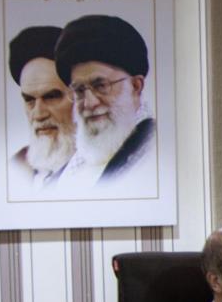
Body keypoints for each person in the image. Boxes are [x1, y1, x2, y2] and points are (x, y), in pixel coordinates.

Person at [52, 14, 156, 197]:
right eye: (79, 90)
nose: (89, 103)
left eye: (101, 86)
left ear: (135, 86)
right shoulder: (66, 171)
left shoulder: (153, 152)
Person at [6, 26, 75, 195]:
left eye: (51, 97)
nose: (38, 114)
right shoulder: (14, 168)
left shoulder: (112, 167)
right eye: (29, 100)